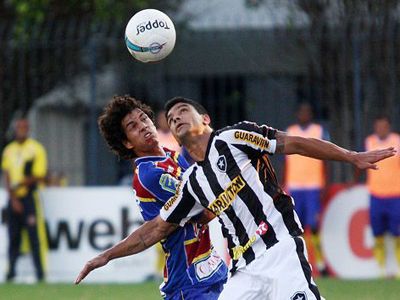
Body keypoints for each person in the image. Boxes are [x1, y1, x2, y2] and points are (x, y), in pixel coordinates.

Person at [76, 97, 395, 300]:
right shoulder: (191, 181)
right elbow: (158, 227)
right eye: (171, 120)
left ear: (206, 119)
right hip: (240, 267)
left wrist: (352, 157)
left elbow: (295, 143)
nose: (174, 119)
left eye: (183, 112)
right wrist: (106, 256)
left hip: (279, 246)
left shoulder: (235, 137)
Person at [90, 96, 227, 299]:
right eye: (133, 126)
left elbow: (202, 190)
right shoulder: (151, 174)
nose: (144, 126)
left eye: (144, 118)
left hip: (211, 269)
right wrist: (230, 186)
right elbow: (204, 213)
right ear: (127, 142)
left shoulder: (170, 155)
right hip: (189, 284)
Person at [283, 102, 329, 275]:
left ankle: (321, 264)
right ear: (297, 114)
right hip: (294, 186)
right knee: (297, 227)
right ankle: (302, 263)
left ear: (311, 114)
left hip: (313, 186)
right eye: (301, 112)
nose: (304, 115)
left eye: (307, 112)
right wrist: (284, 183)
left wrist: (325, 183)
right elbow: (286, 160)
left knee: (315, 226)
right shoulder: (290, 131)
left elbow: (326, 158)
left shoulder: (319, 131)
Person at [1, 117, 48, 282]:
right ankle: (10, 273)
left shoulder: (36, 149)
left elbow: (39, 175)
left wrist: (21, 183)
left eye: (24, 128)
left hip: (29, 197)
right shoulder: (8, 150)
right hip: (13, 198)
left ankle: (40, 274)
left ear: (28, 129)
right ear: (15, 129)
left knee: (34, 237)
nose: (21, 131)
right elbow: (6, 175)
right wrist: (12, 198)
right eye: (18, 128)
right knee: (13, 236)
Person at [363, 115, 400, 277]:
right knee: (377, 232)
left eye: (384, 126)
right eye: (378, 126)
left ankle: (397, 269)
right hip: (376, 194)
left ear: (389, 127)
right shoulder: (369, 141)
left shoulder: (397, 141)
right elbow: (360, 162)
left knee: (396, 232)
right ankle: (382, 270)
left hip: (396, 194)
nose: (381, 129)